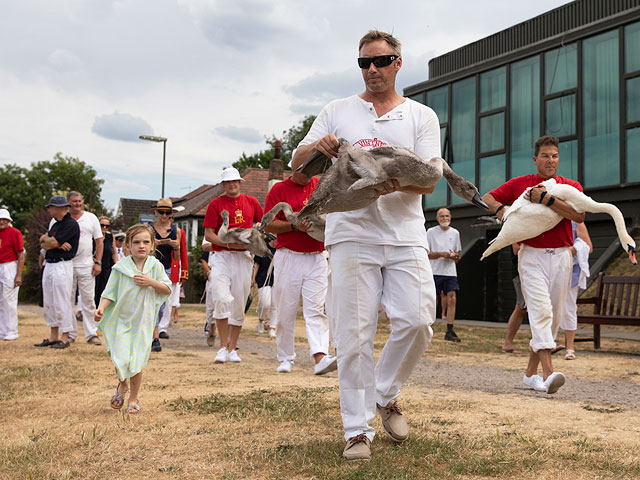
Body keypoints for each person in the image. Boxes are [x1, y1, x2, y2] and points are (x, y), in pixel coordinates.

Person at [292, 30, 440, 460]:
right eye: (364, 63)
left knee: (418, 320)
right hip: (350, 234)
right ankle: (357, 431)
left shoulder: (421, 116)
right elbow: (300, 169)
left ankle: (384, 391)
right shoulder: (336, 111)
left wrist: (388, 180)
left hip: (404, 235)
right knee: (354, 337)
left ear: (398, 63)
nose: (372, 69)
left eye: (381, 61)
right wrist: (314, 148)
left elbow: (428, 181)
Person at [482, 135, 584, 395]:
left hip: (562, 256)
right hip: (531, 256)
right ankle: (549, 374)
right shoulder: (521, 184)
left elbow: (578, 214)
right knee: (540, 312)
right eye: (546, 156)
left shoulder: (569, 185)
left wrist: (547, 200)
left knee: (552, 320)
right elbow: (488, 197)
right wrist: (502, 210)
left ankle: (530, 374)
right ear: (535, 159)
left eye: (555, 156)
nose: (551, 160)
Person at [263, 170, 337, 375]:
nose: (307, 175)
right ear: (294, 169)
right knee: (286, 310)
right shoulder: (279, 189)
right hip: (289, 255)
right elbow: (267, 223)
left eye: (310, 170)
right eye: (303, 170)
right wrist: (295, 227)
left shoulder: (320, 184)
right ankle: (285, 357)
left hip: (317, 256)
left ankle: (320, 357)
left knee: (316, 309)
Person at [95, 224, 171, 414]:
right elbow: (109, 292)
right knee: (120, 357)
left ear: (152, 245)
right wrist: (101, 308)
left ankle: (134, 399)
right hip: (122, 320)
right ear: (127, 246)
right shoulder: (120, 268)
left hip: (143, 323)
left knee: (136, 360)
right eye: (136, 242)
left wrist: (151, 282)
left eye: (146, 242)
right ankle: (122, 383)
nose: (141, 246)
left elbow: (167, 289)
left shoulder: (155, 267)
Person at [204, 167, 263, 364]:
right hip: (221, 256)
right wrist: (228, 243)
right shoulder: (215, 204)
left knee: (239, 301)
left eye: (235, 181)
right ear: (223, 185)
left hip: (244, 257)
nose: (232, 185)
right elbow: (209, 234)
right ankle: (222, 346)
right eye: (228, 182)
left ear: (240, 182)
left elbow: (261, 224)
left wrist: (254, 233)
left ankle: (232, 348)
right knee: (220, 297)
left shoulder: (252, 202)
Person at [53, 191, 104, 345]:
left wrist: (98, 262)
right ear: (68, 203)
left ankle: (91, 334)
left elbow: (99, 241)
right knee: (67, 300)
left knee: (88, 300)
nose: (78, 204)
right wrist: (59, 244)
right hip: (66, 264)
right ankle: (70, 333)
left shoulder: (91, 218)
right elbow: (50, 238)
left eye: (80, 201)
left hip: (86, 264)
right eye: (74, 201)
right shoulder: (59, 220)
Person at [35, 195, 80, 349]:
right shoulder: (55, 224)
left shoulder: (70, 224)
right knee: (50, 301)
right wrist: (55, 243)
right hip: (50, 263)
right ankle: (53, 336)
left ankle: (65, 336)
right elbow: (43, 241)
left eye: (51, 207)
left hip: (62, 264)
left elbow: (51, 242)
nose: (49, 210)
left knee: (62, 300)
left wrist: (54, 243)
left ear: (59, 208)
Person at [149, 198, 188, 352]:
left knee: (162, 304)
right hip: (150, 267)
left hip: (166, 269)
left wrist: (176, 247)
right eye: (161, 212)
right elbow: (144, 248)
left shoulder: (176, 231)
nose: (164, 215)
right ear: (156, 212)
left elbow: (178, 256)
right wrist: (157, 243)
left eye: (167, 212)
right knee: (151, 302)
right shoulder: (148, 228)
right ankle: (153, 336)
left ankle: (157, 333)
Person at [426, 208, 462, 342]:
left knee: (452, 298)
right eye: (442, 216)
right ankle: (428, 326)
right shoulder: (431, 232)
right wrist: (441, 254)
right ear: (437, 218)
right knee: (432, 300)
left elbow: (458, 256)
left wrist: (454, 256)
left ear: (450, 217)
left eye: (447, 216)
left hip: (450, 272)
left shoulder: (455, 233)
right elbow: (426, 253)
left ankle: (450, 329)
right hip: (434, 271)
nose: (445, 218)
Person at [559, 222, 592, 360]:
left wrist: (573, 249)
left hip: (570, 271)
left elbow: (588, 247)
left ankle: (570, 348)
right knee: (548, 308)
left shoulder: (576, 222)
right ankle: (547, 343)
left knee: (569, 308)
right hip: (549, 269)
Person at [0, 209, 26, 341]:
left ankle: (11, 330)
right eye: (0, 219)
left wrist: (18, 275)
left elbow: (21, 254)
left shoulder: (14, 233)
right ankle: (2, 330)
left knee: (9, 299)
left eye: (5, 219)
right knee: (1, 300)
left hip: (9, 266)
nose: (2, 222)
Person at [502, 243, 527, 354]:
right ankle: (508, 342)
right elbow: (516, 250)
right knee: (521, 307)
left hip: (529, 270)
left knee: (521, 307)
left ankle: (508, 342)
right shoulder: (514, 228)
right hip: (521, 272)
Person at [251, 238, 276, 336]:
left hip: (276, 279)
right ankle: (261, 319)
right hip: (263, 278)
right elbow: (256, 264)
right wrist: (252, 278)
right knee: (265, 303)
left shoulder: (281, 249)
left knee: (275, 304)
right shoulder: (262, 248)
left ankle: (272, 328)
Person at [94, 216, 118, 306]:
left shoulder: (111, 237)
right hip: (95, 268)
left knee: (105, 291)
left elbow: (114, 253)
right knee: (94, 291)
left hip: (107, 268)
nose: (104, 227)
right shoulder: (94, 237)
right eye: (102, 225)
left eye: (107, 226)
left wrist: (117, 265)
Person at [201, 240, 217, 346]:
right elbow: (204, 259)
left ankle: (229, 339)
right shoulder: (212, 235)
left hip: (231, 271)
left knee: (228, 303)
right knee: (211, 305)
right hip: (214, 272)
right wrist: (209, 272)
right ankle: (211, 328)